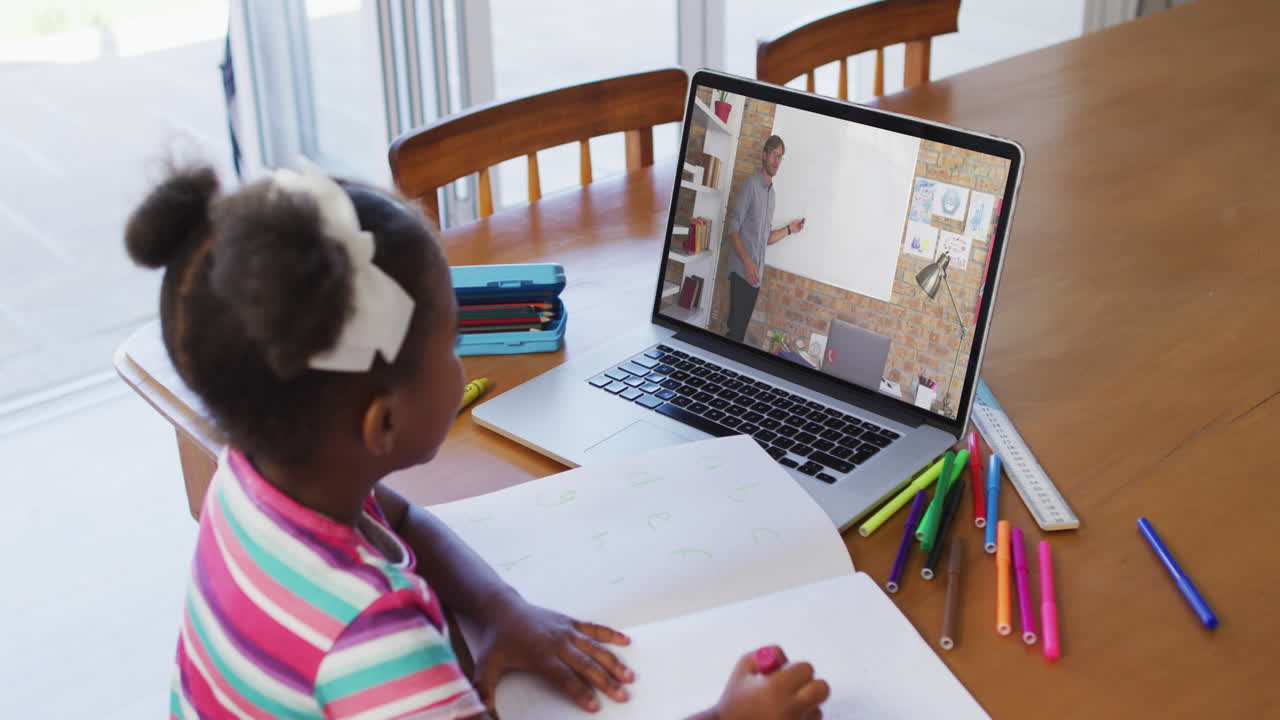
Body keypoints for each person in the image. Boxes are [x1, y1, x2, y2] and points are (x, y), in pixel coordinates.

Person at [125, 160, 830, 719]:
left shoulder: (256, 477)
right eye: (453, 343)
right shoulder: (376, 644)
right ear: (382, 423)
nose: (464, 362)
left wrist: (499, 610)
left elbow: (401, 518)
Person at [725, 135, 806, 343]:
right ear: (764, 155)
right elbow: (733, 228)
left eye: (780, 156)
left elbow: (765, 238)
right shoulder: (751, 185)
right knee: (734, 333)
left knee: (739, 334)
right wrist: (747, 262)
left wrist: (790, 229)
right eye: (773, 154)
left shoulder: (772, 196)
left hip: (755, 278)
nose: (776, 161)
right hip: (742, 271)